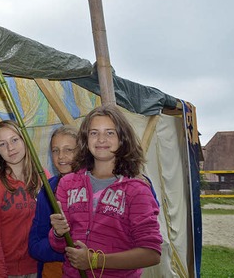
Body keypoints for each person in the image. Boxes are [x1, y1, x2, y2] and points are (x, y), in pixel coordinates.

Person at [49, 105, 162, 277]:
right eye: (94, 133)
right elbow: (60, 246)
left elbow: (151, 253)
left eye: (110, 133)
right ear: (86, 139)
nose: (101, 139)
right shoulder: (67, 184)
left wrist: (94, 260)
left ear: (122, 139)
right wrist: (58, 232)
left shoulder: (137, 190)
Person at [0, 120, 41, 278]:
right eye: (2, 144)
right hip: (9, 271)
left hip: (40, 266)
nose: (10, 148)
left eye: (14, 140)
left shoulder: (43, 178)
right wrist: (0, 274)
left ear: (24, 140)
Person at [28, 125, 79, 277]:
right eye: (55, 150)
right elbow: (35, 246)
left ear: (82, 151)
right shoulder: (48, 189)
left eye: (68, 150)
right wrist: (68, 252)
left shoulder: (92, 187)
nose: (61, 156)